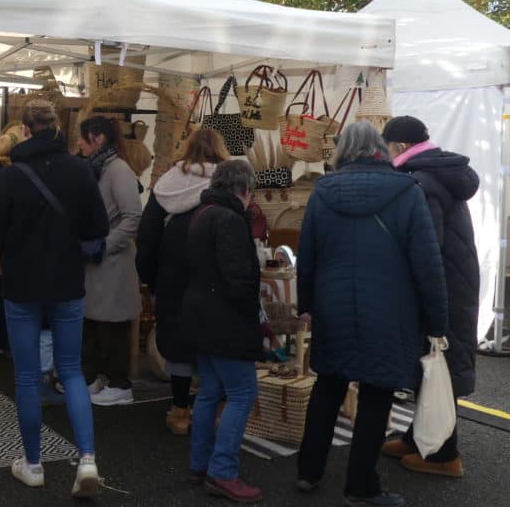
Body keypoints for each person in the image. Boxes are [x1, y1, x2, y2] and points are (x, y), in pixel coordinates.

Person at [296, 122, 448, 507]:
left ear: (342, 150)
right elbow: (427, 264)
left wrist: (306, 306)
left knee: (328, 386)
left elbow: (307, 257)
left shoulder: (322, 191)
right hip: (389, 311)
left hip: (332, 306)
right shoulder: (407, 190)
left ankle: (308, 471)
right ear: (381, 148)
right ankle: (361, 487)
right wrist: (437, 321)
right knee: (376, 395)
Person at [0, 99, 109, 497]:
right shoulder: (80, 169)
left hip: (22, 286)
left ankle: (34, 464)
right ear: (57, 127)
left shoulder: (10, 175)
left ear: (24, 130)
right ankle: (87, 459)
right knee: (71, 370)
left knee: (27, 376)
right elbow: (97, 228)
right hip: (67, 283)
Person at [380, 116, 480, 477]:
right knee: (432, 360)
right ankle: (417, 437)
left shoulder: (422, 181)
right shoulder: (438, 172)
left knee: (439, 364)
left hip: (442, 286)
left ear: (400, 146)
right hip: (456, 281)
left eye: (387, 147)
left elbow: (427, 246)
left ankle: (444, 454)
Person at [179, 159, 262, 503]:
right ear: (243, 189)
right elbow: (238, 278)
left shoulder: (202, 213)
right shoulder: (229, 220)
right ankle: (223, 472)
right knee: (242, 393)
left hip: (201, 314)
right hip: (226, 319)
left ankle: (200, 464)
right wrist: (254, 317)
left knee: (210, 391)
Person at [136, 128, 230, 434]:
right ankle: (216, 409)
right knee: (214, 338)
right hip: (214, 273)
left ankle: (180, 411)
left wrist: (149, 277)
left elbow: (147, 233)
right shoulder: (227, 183)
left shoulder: (168, 182)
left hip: (173, 270)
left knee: (177, 338)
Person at [77, 116, 143, 406]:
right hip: (95, 260)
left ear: (98, 138)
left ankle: (120, 385)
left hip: (112, 262)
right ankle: (95, 378)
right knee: (93, 322)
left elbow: (133, 216)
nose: (79, 144)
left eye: (82, 138)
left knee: (112, 325)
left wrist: (106, 246)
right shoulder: (98, 168)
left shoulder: (118, 169)